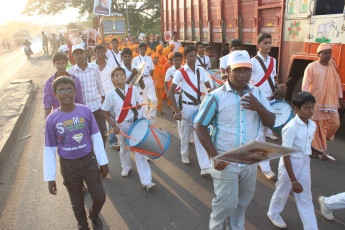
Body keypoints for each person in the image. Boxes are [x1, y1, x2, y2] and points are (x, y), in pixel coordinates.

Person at [195, 50, 275, 230]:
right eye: (238, 70)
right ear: (228, 70)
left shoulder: (258, 94)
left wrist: (258, 107)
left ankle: (236, 227)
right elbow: (200, 127)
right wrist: (215, 157)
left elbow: (271, 121)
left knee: (243, 201)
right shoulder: (216, 96)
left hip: (249, 158)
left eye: (246, 71)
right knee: (225, 203)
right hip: (225, 158)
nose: (243, 75)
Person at [44, 76, 109, 230]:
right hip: (68, 166)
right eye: (61, 90)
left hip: (88, 161)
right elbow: (49, 149)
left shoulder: (85, 111)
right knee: (76, 201)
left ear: (75, 91)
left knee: (100, 197)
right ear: (55, 94)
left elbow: (96, 137)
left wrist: (103, 162)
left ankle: (93, 214)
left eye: (70, 89)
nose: (66, 93)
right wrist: (50, 177)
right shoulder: (52, 119)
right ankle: (82, 223)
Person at [267, 91, 319, 229]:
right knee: (282, 191)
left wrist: (319, 154)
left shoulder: (312, 125)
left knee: (306, 197)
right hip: (290, 164)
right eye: (306, 108)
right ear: (295, 109)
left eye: (312, 107)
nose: (311, 111)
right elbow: (286, 154)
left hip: (304, 162)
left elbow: (306, 146)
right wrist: (293, 180)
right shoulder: (291, 128)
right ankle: (273, 213)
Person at [101, 67, 156, 190]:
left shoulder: (133, 89)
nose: (119, 77)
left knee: (139, 150)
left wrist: (137, 107)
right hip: (122, 125)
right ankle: (126, 167)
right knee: (124, 148)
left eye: (121, 75)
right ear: (112, 79)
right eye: (116, 75)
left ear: (125, 77)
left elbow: (139, 103)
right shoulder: (110, 94)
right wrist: (113, 125)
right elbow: (104, 111)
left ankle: (146, 181)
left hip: (135, 123)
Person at [168, 45, 212, 175]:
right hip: (186, 107)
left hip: (199, 107)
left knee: (199, 135)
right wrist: (177, 110)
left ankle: (204, 166)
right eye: (190, 56)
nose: (193, 58)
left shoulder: (201, 71)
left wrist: (209, 92)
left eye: (195, 56)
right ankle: (184, 154)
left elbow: (208, 86)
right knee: (186, 133)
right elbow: (171, 92)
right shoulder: (180, 72)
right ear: (185, 57)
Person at [302, 43, 344, 157]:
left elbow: (337, 83)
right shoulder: (311, 67)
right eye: (325, 53)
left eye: (330, 53)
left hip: (331, 102)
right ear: (319, 55)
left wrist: (340, 97)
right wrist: (306, 100)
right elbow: (305, 85)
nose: (328, 55)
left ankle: (321, 143)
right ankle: (318, 150)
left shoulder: (332, 66)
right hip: (316, 102)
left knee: (335, 122)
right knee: (318, 127)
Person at [250, 33, 279, 179]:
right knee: (260, 134)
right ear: (258, 45)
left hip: (271, 100)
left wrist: (280, 87)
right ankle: (266, 168)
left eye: (270, 42)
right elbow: (247, 83)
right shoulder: (252, 62)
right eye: (265, 43)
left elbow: (273, 79)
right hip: (258, 102)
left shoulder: (273, 61)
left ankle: (255, 157)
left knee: (263, 131)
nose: (268, 45)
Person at [67, 44, 106, 145]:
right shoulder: (70, 72)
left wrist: (105, 104)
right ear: (73, 56)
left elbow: (100, 86)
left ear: (85, 54)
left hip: (96, 107)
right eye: (76, 54)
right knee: (84, 137)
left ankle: (100, 159)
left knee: (100, 135)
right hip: (80, 111)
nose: (79, 56)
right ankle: (90, 158)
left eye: (81, 53)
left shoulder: (94, 67)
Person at [93, 44, 120, 150]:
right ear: (94, 54)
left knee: (112, 119)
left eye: (101, 51)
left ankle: (113, 141)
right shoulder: (91, 66)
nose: (100, 54)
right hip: (97, 97)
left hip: (110, 96)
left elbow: (116, 80)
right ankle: (100, 140)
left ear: (105, 52)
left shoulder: (111, 65)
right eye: (97, 52)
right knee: (100, 121)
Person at [44, 52, 83, 120]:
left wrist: (81, 117)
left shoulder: (75, 80)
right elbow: (47, 104)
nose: (61, 66)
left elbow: (80, 101)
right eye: (58, 64)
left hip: (74, 117)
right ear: (54, 64)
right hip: (58, 118)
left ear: (67, 63)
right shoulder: (49, 83)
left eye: (63, 63)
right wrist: (47, 122)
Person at [132, 43, 157, 124]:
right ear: (138, 50)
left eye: (144, 49)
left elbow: (152, 70)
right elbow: (134, 72)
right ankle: (146, 120)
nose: (142, 50)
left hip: (149, 79)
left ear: (146, 50)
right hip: (141, 81)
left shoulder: (149, 58)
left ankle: (152, 116)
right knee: (143, 101)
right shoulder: (135, 60)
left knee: (154, 99)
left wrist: (151, 72)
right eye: (141, 49)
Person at [165, 52, 183, 138]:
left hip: (184, 95)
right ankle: (181, 135)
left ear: (181, 60)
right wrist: (168, 92)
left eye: (179, 60)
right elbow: (165, 83)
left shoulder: (185, 69)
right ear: (173, 61)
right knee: (178, 114)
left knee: (186, 114)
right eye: (175, 60)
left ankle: (187, 136)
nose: (177, 62)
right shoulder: (170, 70)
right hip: (175, 95)